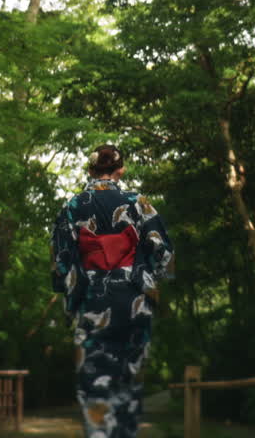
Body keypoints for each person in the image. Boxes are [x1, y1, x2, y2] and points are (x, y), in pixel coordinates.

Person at [51, 144, 174, 438]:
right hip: (134, 304)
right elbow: (166, 257)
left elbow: (61, 266)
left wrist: (71, 298)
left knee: (95, 388)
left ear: (91, 170)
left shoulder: (73, 206)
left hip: (92, 305)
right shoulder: (139, 203)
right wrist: (147, 285)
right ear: (121, 169)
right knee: (128, 389)